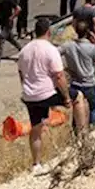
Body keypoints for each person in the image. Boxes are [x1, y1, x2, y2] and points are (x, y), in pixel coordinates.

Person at [16, 18, 73, 171]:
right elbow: (59, 76)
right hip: (47, 93)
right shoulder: (50, 50)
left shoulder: (24, 51)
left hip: (30, 95)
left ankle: (36, 163)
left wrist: (27, 88)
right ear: (48, 32)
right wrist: (66, 97)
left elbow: (21, 74)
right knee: (79, 97)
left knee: (35, 129)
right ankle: (80, 137)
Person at [60, 19, 95, 126]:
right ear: (88, 32)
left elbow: (55, 53)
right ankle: (93, 129)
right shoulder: (91, 47)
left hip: (75, 83)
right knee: (94, 108)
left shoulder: (68, 45)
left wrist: (64, 68)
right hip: (90, 83)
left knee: (77, 109)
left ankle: (77, 132)